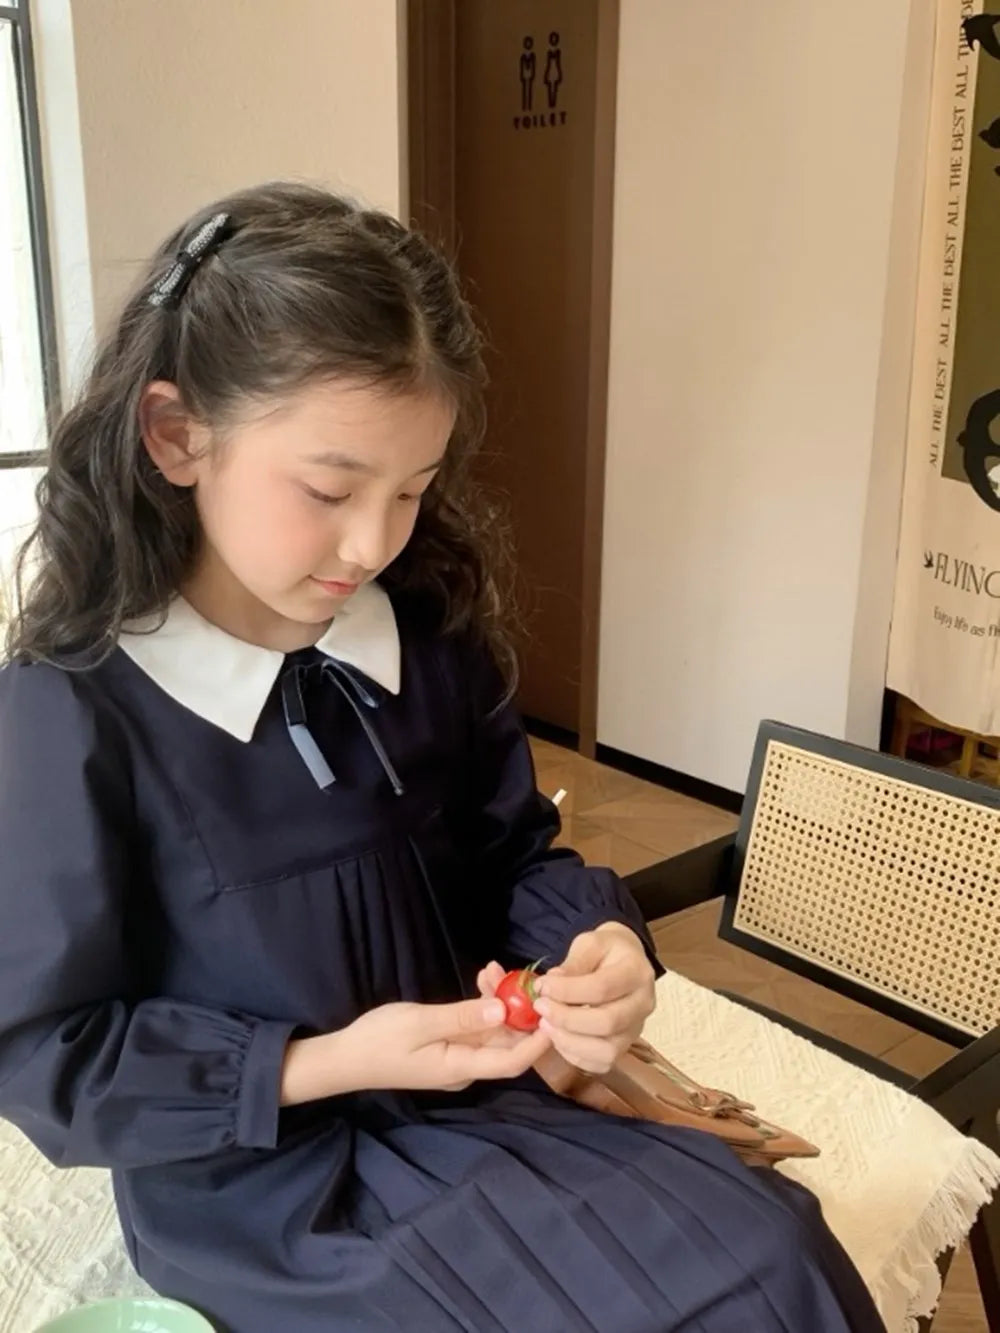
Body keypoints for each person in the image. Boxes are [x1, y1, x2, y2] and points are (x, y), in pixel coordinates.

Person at [0, 183, 884, 1333]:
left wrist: (596, 945)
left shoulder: (420, 641)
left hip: (487, 1103)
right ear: (177, 436)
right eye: (328, 489)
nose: (372, 541)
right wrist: (322, 1060)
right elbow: (51, 1052)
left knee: (773, 1259)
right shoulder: (72, 715)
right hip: (269, 1183)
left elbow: (513, 853)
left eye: (411, 490)